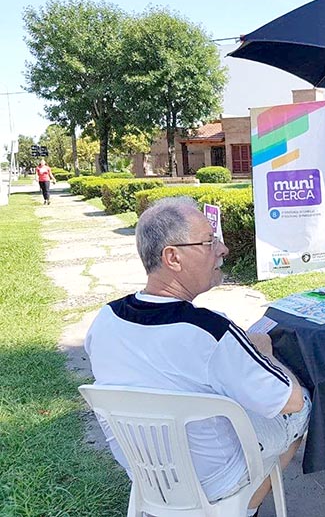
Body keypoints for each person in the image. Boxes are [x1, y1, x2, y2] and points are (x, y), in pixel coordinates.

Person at [84, 197, 310, 516]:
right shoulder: (210, 331)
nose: (222, 249)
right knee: (303, 408)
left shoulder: (104, 321)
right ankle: (244, 507)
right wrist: (265, 352)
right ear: (173, 257)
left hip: (147, 472)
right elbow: (291, 401)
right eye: (209, 241)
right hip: (215, 479)